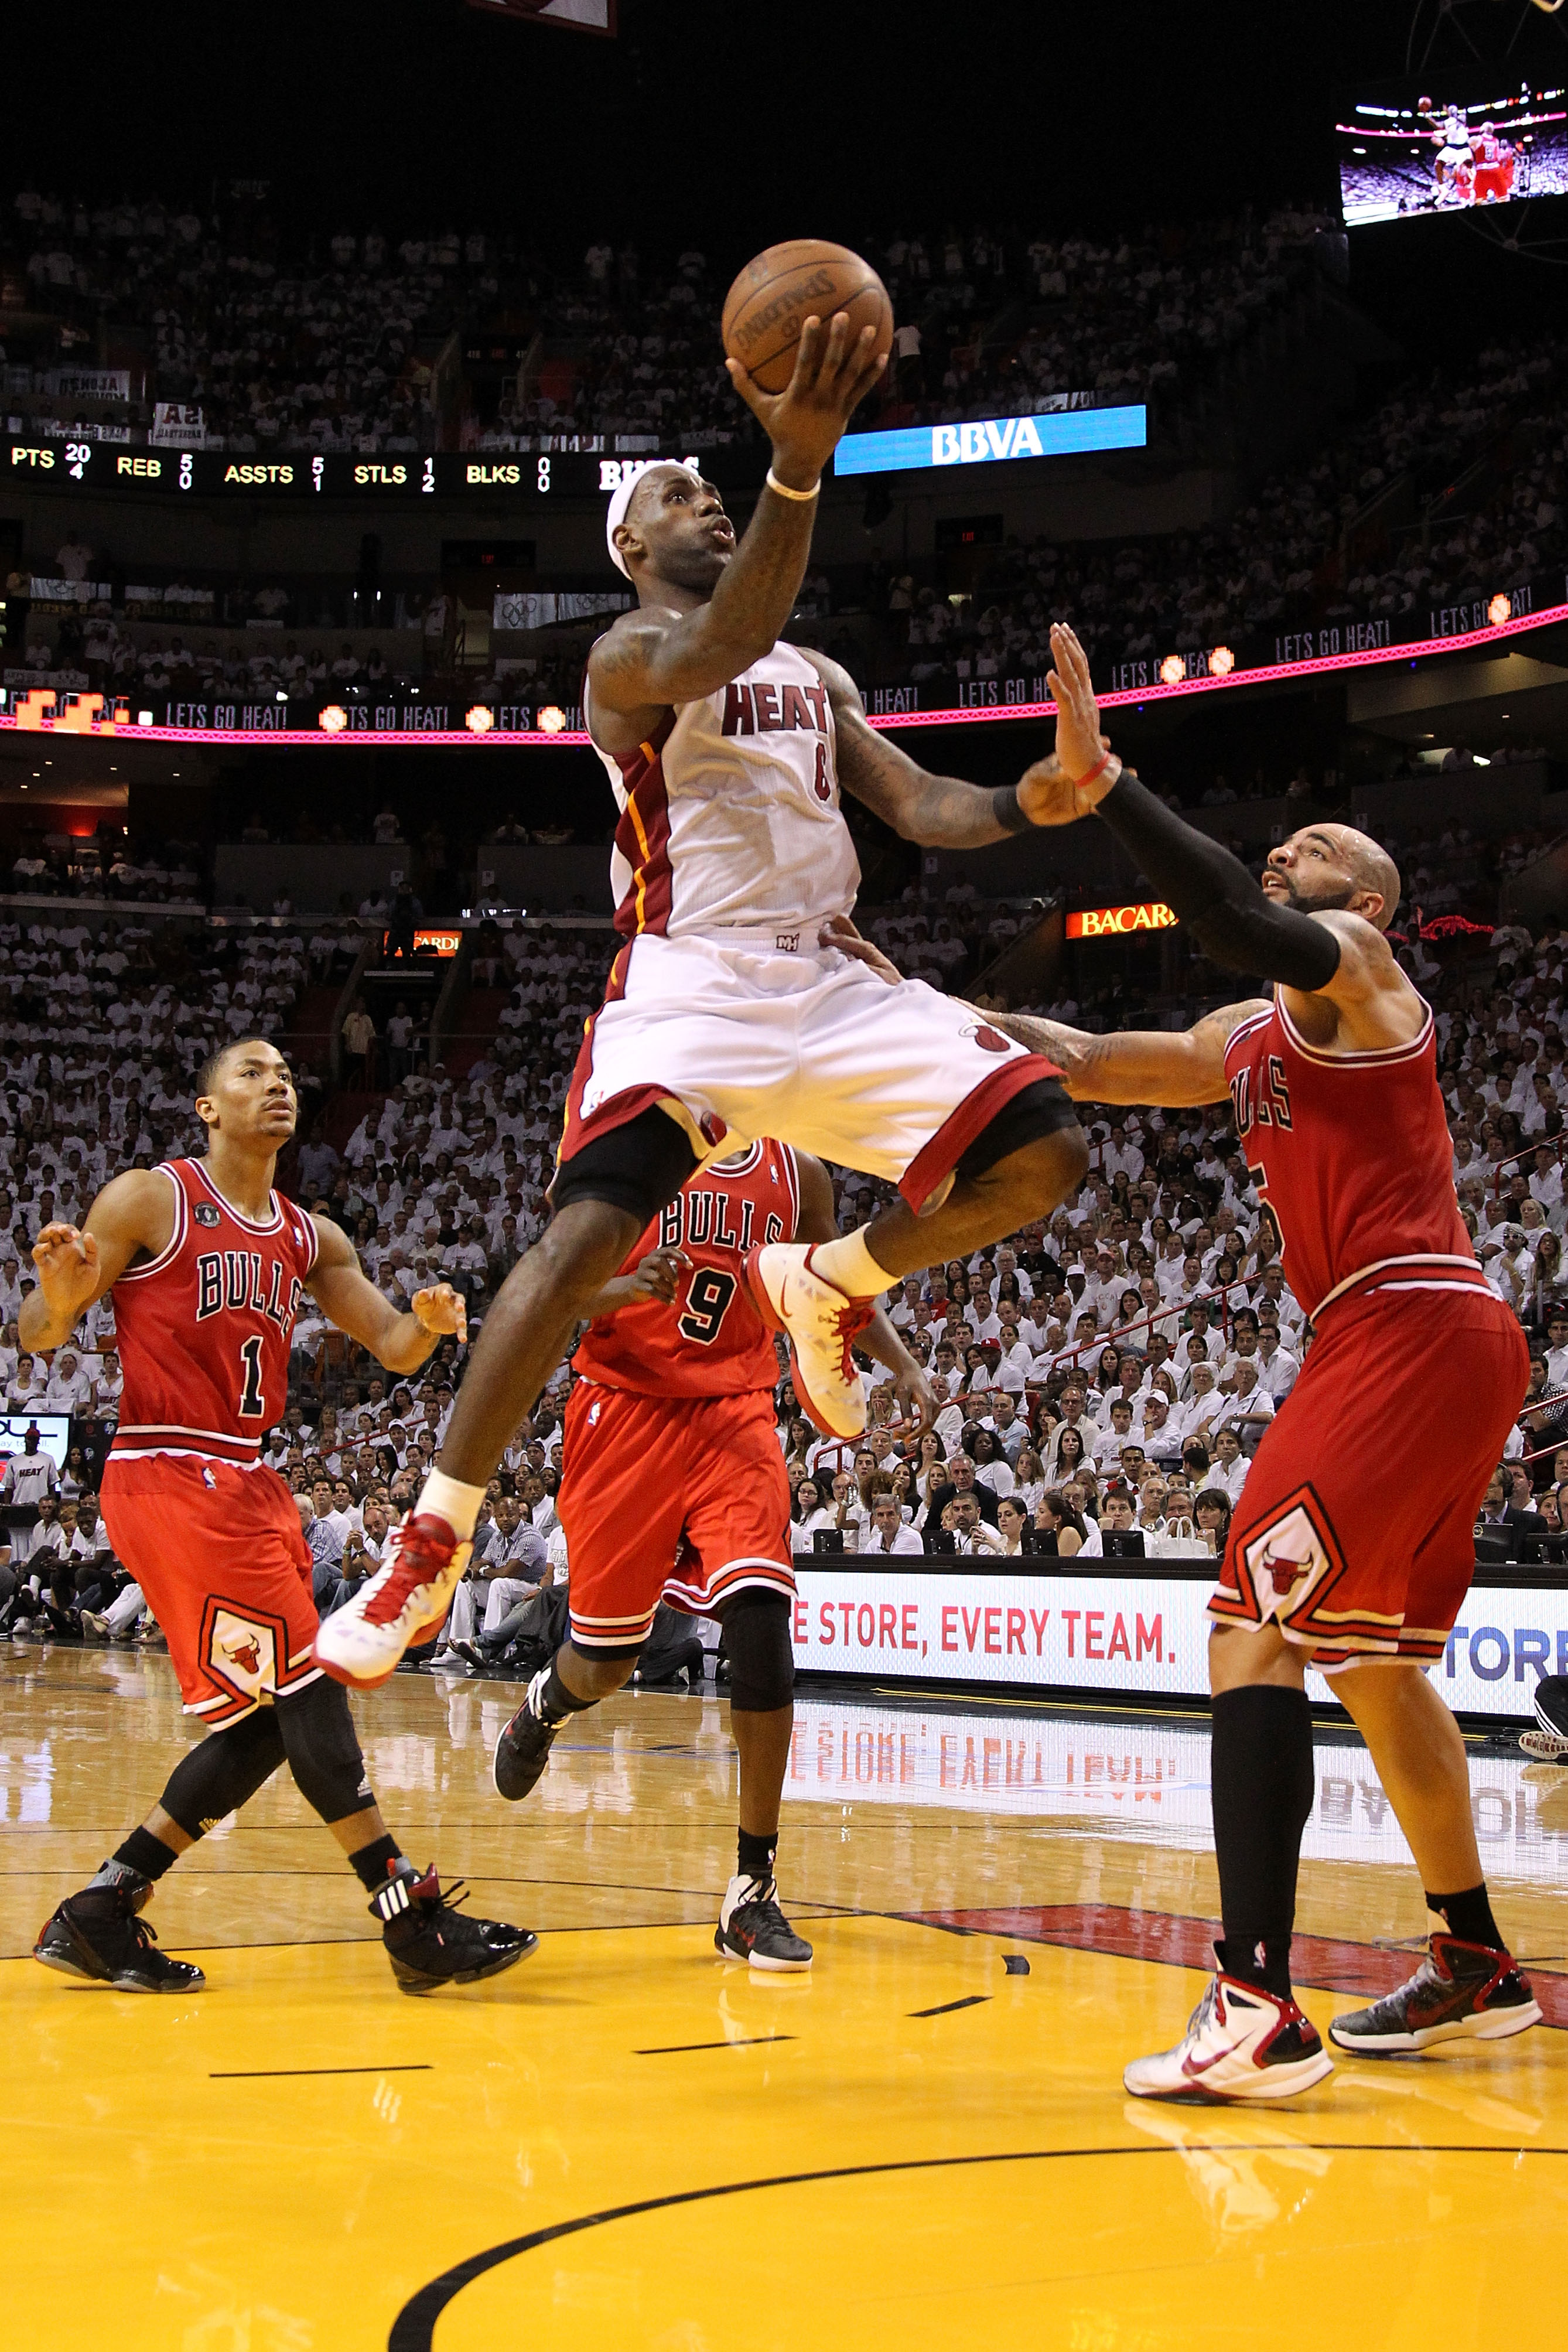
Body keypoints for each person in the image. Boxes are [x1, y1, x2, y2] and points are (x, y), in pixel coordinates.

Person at [315, 312, 1088, 1689]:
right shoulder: (622, 659)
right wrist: (797, 467)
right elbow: (729, 635)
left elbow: (921, 804)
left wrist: (1032, 797)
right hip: (691, 982)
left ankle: (834, 1278)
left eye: (717, 488)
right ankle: (429, 1545)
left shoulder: (818, 676)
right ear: (628, 549)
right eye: (678, 495)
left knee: (1044, 1152)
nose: (708, 500)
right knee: (574, 1247)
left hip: (832, 976)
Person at [984, 620, 1537, 2100]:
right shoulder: (1251, 1031)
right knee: (1369, 1664)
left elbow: (1235, 915)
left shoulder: (1356, 964)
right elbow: (1098, 1061)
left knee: (1248, 1626)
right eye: (1277, 847)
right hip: (1436, 1334)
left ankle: (1254, 2001)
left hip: (1404, 1322)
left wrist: (1106, 784)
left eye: (1307, 847)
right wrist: (921, 1021)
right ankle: (1477, 1960)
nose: (1280, 854)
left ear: (1363, 899)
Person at [24, 1037, 532, 1996]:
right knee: (312, 1686)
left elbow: (387, 1345)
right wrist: (55, 1300)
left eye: (288, 1077)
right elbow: (43, 1330)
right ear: (208, 1107)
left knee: (268, 1720)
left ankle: (102, 1906)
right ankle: (408, 1922)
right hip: (170, 1466)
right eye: (252, 1074)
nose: (277, 1087)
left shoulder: (310, 1236)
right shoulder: (151, 1197)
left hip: (244, 1481)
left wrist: (426, 1322)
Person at [491, 1139, 931, 1970]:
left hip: (735, 1414)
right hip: (622, 1410)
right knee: (606, 1659)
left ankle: (751, 1888)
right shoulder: (628, 1144)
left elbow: (829, 1288)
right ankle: (549, 1700)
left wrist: (900, 1363)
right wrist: (623, 1286)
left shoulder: (795, 1171)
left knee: (762, 1620)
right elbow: (553, 1289)